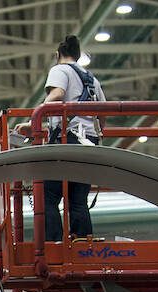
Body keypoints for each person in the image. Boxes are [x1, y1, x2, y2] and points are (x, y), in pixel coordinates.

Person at [38, 35, 106, 241]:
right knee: (78, 199)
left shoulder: (59, 70)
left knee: (48, 196)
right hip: (89, 143)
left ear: (58, 55)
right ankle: (82, 242)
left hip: (67, 140)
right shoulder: (93, 79)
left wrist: (36, 113)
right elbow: (103, 114)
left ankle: (55, 243)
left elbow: (57, 94)